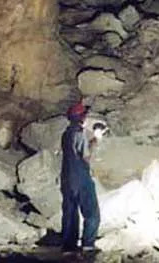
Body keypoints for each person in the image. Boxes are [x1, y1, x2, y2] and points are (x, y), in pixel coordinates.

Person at [60, 101, 100, 253]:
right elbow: (85, 156)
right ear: (82, 117)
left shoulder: (65, 134)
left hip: (67, 178)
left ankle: (68, 247)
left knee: (70, 213)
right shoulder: (79, 133)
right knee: (91, 212)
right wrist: (95, 140)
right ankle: (88, 245)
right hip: (81, 178)